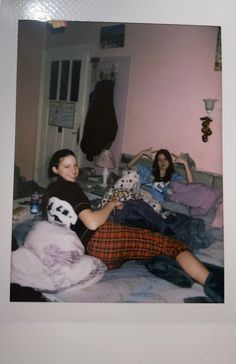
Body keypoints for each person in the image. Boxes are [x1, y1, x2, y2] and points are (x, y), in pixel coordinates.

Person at [41, 149, 223, 302]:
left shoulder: (49, 192)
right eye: (67, 167)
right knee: (173, 245)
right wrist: (111, 203)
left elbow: (190, 188)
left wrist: (184, 166)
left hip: (87, 250)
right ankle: (214, 289)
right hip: (102, 241)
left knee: (139, 243)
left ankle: (162, 261)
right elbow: (92, 222)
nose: (74, 170)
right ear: (55, 169)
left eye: (75, 165)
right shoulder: (73, 188)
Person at [127, 147, 193, 203]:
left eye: (165, 159)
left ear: (169, 161)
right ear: (156, 162)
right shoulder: (150, 171)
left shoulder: (174, 177)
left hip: (154, 202)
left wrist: (185, 164)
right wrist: (141, 153)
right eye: (160, 160)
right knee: (131, 174)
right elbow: (130, 165)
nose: (162, 162)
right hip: (139, 195)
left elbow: (191, 186)